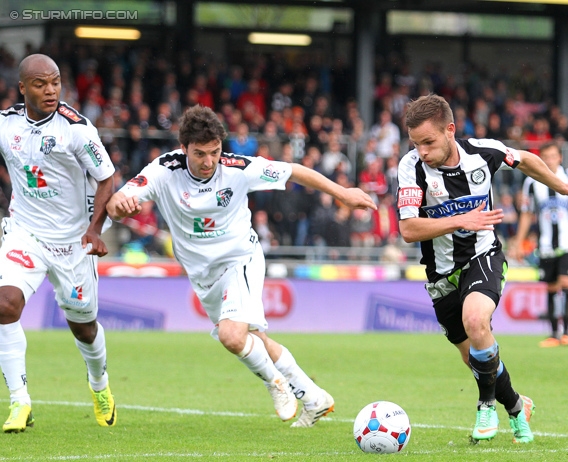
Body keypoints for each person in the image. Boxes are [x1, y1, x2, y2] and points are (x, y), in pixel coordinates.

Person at [106, 105, 376, 427]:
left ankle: (275, 383)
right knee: (254, 341)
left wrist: (342, 193)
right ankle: (315, 398)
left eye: (215, 152)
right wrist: (120, 205)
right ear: (183, 149)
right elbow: (115, 203)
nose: (209, 162)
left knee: (232, 336)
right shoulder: (164, 170)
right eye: (200, 154)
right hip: (203, 275)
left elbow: (294, 170)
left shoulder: (239, 168)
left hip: (240, 259)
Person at [396, 94, 568, 444]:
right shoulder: (411, 167)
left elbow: (527, 160)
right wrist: (462, 219)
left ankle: (486, 404)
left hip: (483, 256)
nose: (423, 151)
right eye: (417, 144)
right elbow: (408, 229)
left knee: (477, 322)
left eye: (429, 142)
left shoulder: (482, 151)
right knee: (475, 358)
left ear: (450, 130)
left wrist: (562, 187)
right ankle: (517, 406)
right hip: (441, 275)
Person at [0, 54, 117, 432]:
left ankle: (99, 385)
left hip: (72, 241)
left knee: (83, 326)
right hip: (26, 233)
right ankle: (20, 402)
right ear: (22, 88)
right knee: (4, 304)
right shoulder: (6, 125)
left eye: (55, 82)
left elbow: (106, 178)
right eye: (40, 84)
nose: (50, 90)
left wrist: (95, 230)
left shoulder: (77, 129)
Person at [511, 142, 568, 348]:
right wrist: (519, 243)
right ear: (541, 159)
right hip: (545, 244)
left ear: (560, 158)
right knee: (550, 286)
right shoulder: (532, 182)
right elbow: (527, 214)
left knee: (566, 283)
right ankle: (553, 334)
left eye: (553, 156)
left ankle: (566, 333)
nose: (549, 160)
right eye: (545, 156)